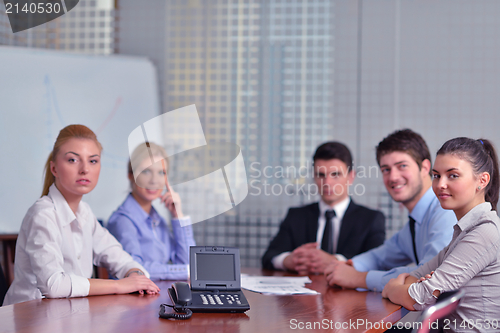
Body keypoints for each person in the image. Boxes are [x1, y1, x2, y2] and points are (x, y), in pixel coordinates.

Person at [3, 125, 159, 306]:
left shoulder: (85, 213)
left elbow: (122, 259)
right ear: (54, 168)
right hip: (29, 319)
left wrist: (135, 275)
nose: (85, 169)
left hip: (68, 315)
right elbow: (54, 285)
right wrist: (120, 285)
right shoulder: (43, 215)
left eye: (93, 161)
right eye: (72, 160)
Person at [382, 137, 500, 332]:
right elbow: (415, 277)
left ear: (482, 180)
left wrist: (393, 287)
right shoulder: (465, 230)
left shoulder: (485, 231)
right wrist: (417, 286)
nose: (440, 184)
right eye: (436, 175)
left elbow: (418, 297)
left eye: (452, 175)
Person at [325, 129, 457, 291]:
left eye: (402, 166)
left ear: (424, 168)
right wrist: (347, 266)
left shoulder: (445, 210)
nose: (393, 177)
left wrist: (358, 278)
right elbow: (380, 256)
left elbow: (429, 274)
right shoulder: (415, 223)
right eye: (386, 169)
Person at [261, 141, 386, 274]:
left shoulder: (371, 219)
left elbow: (377, 264)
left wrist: (336, 262)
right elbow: (269, 257)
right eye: (321, 175)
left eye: (335, 175)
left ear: (350, 177)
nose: (327, 183)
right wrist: (288, 260)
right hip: (303, 292)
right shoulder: (296, 216)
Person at [107, 142, 195, 280]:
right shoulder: (122, 221)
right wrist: (185, 271)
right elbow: (135, 269)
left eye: (161, 173)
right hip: (134, 300)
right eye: (146, 171)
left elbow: (189, 263)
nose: (154, 181)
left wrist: (178, 217)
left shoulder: (157, 220)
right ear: (130, 175)